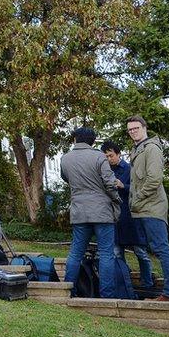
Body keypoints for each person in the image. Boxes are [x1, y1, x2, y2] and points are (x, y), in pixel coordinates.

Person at [124, 116, 169, 305]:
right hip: (143, 208)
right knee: (161, 248)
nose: (133, 132)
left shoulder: (151, 148)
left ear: (144, 127)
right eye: (130, 130)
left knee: (161, 249)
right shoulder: (137, 149)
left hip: (151, 207)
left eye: (136, 128)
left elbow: (154, 179)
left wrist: (137, 198)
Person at [60, 127, 122, 298]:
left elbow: (66, 178)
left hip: (79, 211)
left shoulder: (65, 159)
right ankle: (107, 295)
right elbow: (110, 183)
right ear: (93, 141)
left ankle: (68, 290)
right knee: (106, 254)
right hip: (102, 211)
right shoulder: (99, 157)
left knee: (75, 252)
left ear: (75, 140)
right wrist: (116, 200)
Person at [100, 139, 154, 292]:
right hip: (114, 218)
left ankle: (148, 283)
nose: (109, 159)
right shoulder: (105, 171)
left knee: (140, 252)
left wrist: (124, 186)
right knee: (117, 253)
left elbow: (141, 189)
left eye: (111, 156)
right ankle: (124, 283)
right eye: (106, 157)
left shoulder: (130, 169)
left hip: (132, 217)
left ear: (118, 154)